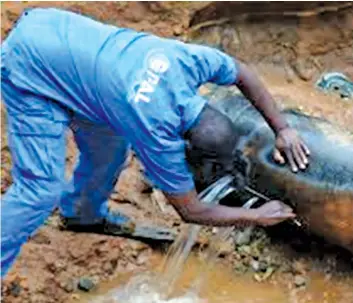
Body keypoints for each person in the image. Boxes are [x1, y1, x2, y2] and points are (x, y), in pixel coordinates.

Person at [0, 8, 310, 277]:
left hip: (59, 34)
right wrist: (257, 216)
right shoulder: (155, 134)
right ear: (183, 146)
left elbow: (242, 73)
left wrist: (283, 129)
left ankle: (82, 215)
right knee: (39, 190)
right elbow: (191, 212)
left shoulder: (188, 61)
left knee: (111, 148)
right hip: (29, 68)